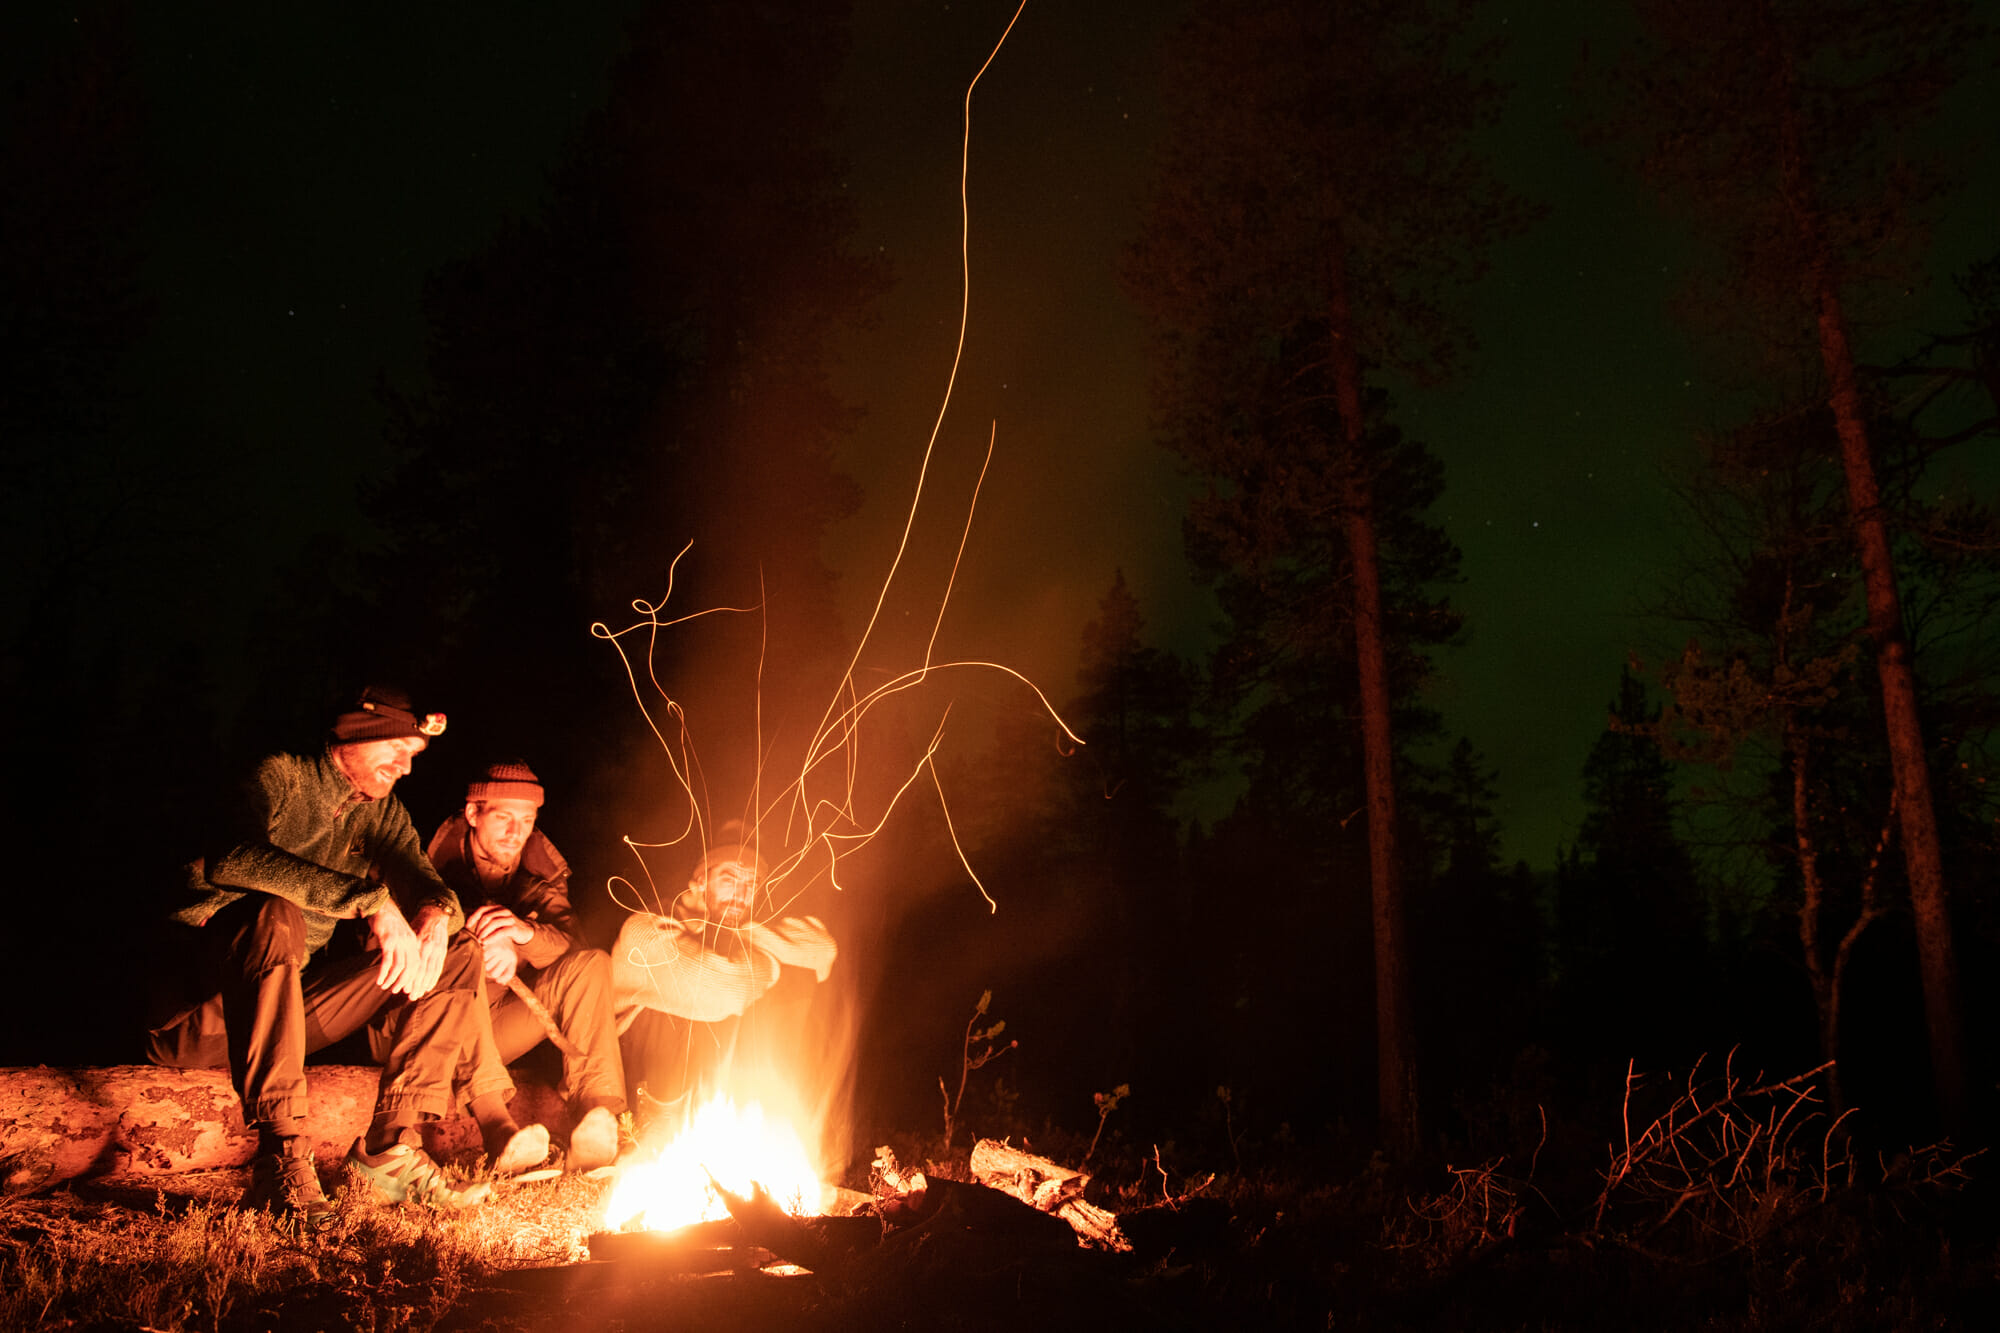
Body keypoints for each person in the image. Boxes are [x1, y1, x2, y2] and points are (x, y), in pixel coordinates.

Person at [145, 685, 545, 1225]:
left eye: (413, 759)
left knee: (457, 949)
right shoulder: (280, 775)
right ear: (359, 734)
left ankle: (390, 1150)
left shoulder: (381, 814)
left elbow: (430, 884)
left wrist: (433, 914)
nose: (404, 768)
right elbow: (230, 856)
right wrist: (369, 902)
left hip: (290, 1010)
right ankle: (281, 1158)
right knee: (274, 913)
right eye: (397, 751)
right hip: (199, 1010)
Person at [426, 760, 625, 1171]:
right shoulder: (426, 864)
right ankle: (500, 1132)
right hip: (425, 1026)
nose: (516, 833)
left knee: (593, 966)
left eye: (527, 820)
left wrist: (522, 938)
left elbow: (573, 949)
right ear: (472, 814)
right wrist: (476, 948)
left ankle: (599, 1121)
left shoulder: (540, 873)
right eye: (503, 818)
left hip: (499, 1023)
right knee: (466, 961)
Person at [610, 822, 837, 1124]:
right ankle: (654, 1126)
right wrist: (771, 962)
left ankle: (767, 1110)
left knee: (792, 982)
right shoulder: (647, 928)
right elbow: (721, 992)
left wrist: (748, 934)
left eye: (752, 884)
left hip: (696, 1079)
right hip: (625, 1081)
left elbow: (823, 951)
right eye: (729, 879)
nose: (741, 895)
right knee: (698, 1002)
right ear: (700, 882)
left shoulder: (730, 928)